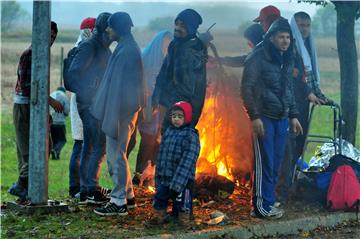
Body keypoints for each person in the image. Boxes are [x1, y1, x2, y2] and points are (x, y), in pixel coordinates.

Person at [241, 18, 303, 219]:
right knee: (265, 162)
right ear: (271, 37)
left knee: (276, 162)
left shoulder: (287, 58)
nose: (285, 41)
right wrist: (254, 116)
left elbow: (289, 90)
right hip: (264, 117)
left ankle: (268, 201)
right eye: (281, 37)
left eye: (288, 37)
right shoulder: (257, 56)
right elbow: (246, 88)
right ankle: (259, 206)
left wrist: (293, 115)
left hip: (282, 118)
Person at [91, 12, 145, 216]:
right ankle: (128, 197)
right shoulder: (125, 47)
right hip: (121, 111)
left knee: (115, 157)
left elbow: (124, 89)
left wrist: (115, 115)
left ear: (119, 28)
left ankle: (118, 201)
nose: (107, 29)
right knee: (118, 154)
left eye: (111, 26)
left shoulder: (127, 51)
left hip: (121, 112)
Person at [9, 21, 64, 200]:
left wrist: (43, 109)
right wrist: (50, 102)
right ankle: (23, 186)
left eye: (54, 37)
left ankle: (26, 188)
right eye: (48, 35)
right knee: (27, 148)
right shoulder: (30, 54)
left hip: (34, 105)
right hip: (24, 105)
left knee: (42, 146)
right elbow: (29, 89)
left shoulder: (41, 54)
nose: (51, 40)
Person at [68, 12, 112, 204]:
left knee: (91, 145)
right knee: (93, 145)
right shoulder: (89, 46)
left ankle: (87, 189)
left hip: (94, 103)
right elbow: (74, 73)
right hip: (89, 104)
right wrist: (89, 98)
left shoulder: (101, 48)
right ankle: (88, 188)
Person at [152, 9, 207, 132]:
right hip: (170, 105)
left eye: (182, 25)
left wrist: (172, 114)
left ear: (191, 28)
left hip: (181, 112)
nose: (177, 28)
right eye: (177, 24)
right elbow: (164, 73)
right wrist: (156, 98)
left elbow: (185, 89)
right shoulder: (176, 44)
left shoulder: (189, 51)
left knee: (173, 146)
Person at [147, 101, 200, 225]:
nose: (176, 119)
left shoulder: (191, 136)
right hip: (166, 177)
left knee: (182, 201)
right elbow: (161, 156)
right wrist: (158, 176)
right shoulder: (168, 132)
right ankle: (158, 217)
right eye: (174, 116)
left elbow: (189, 160)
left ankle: (183, 219)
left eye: (180, 117)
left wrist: (178, 182)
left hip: (183, 180)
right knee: (160, 197)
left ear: (187, 117)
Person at [132, 30, 172, 184]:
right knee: (148, 140)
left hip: (161, 106)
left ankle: (151, 175)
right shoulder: (146, 58)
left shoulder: (166, 60)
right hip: (147, 105)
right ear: (159, 43)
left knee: (158, 141)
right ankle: (139, 174)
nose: (167, 47)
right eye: (165, 44)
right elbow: (140, 81)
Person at [290, 11, 328, 159]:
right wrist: (308, 93)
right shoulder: (290, 46)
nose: (304, 29)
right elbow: (294, 76)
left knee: (301, 137)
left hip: (303, 101)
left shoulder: (307, 44)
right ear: (295, 25)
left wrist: (316, 92)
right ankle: (288, 177)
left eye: (307, 25)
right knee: (293, 139)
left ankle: (295, 173)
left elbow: (308, 74)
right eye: (301, 25)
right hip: (292, 100)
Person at [68, 17, 96, 198]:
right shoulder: (84, 48)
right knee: (80, 145)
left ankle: (81, 186)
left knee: (84, 144)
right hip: (82, 100)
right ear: (89, 31)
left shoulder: (86, 46)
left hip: (85, 100)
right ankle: (76, 187)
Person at [49, 86, 70, 160]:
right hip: (60, 122)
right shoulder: (64, 96)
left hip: (51, 122)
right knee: (62, 140)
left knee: (54, 140)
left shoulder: (51, 95)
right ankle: (55, 150)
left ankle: (55, 156)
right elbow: (67, 111)